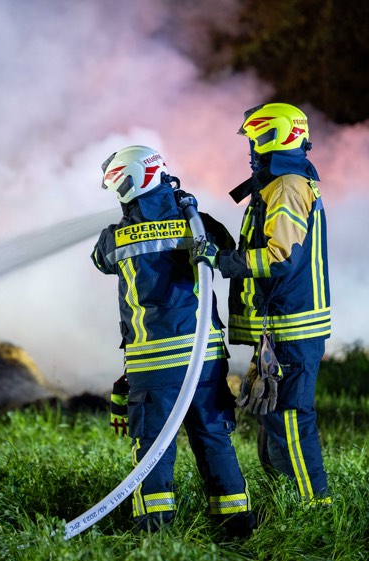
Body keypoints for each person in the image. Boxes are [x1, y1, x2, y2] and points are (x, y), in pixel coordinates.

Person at [91, 144, 257, 536]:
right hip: (204, 359)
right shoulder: (199, 224)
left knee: (153, 446)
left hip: (153, 363)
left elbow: (101, 261)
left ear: (129, 185)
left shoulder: (115, 237)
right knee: (213, 436)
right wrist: (184, 209)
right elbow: (226, 249)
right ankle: (236, 523)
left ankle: (155, 529)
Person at [193, 102, 331, 504]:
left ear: (275, 136)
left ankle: (314, 508)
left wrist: (223, 261)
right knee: (273, 419)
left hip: (291, 327)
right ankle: (284, 501)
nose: (251, 149)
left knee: (289, 419)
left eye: (255, 139)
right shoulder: (278, 184)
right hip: (280, 326)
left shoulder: (286, 186)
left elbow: (280, 257)